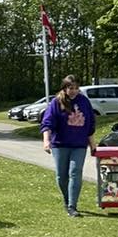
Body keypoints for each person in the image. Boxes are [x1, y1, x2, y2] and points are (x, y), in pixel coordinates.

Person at [41, 75, 97, 217]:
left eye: (76, 88)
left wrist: (92, 144)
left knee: (75, 172)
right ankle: (67, 200)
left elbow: (90, 125)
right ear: (64, 88)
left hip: (79, 145)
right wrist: (46, 141)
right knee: (61, 176)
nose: (73, 91)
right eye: (70, 88)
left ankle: (72, 206)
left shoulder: (84, 102)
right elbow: (47, 123)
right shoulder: (56, 102)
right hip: (60, 145)